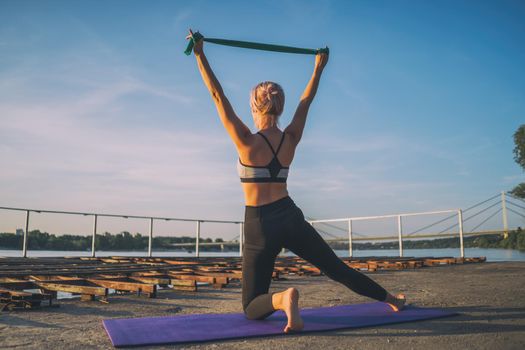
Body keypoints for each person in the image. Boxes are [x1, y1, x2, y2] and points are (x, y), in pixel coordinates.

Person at [187, 30, 406, 333]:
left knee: (252, 307)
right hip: (290, 215)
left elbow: (217, 96)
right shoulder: (291, 138)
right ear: (280, 106)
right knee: (336, 269)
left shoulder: (246, 141)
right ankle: (392, 299)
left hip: (259, 223)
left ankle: (283, 299)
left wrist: (200, 55)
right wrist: (318, 68)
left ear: (254, 106)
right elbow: (307, 101)